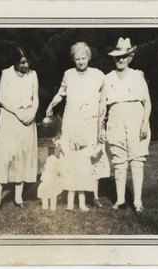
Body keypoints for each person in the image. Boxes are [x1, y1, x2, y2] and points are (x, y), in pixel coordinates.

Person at [46, 42, 109, 211]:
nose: (81, 62)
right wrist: (52, 103)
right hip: (72, 122)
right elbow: (61, 93)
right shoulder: (68, 74)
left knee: (90, 158)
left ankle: (93, 196)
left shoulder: (98, 75)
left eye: (83, 58)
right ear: (73, 60)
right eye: (77, 59)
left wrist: (101, 125)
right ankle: (68, 193)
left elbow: (105, 97)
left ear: (88, 58)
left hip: (90, 122)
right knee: (70, 158)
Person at [99, 37, 151, 215]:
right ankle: (120, 200)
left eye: (124, 56)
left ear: (130, 57)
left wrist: (144, 123)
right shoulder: (107, 78)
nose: (120, 60)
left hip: (136, 118)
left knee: (137, 160)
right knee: (119, 160)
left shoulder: (138, 76)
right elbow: (102, 106)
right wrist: (102, 127)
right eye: (117, 57)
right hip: (115, 119)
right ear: (113, 58)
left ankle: (137, 202)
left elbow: (147, 102)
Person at [0, 47, 39, 209]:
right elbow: (1, 98)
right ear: (15, 62)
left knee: (22, 157)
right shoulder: (6, 73)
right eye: (22, 62)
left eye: (28, 62)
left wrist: (32, 114)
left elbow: (36, 98)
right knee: (5, 157)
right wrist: (18, 113)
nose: (25, 65)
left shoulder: (33, 75)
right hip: (10, 118)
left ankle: (18, 198)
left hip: (27, 121)